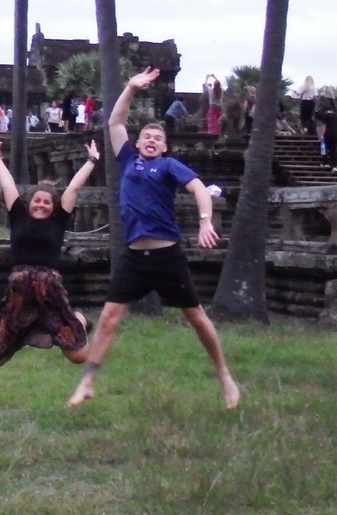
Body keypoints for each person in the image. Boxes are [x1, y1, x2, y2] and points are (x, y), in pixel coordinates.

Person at [67, 68, 240, 410]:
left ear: (164, 147)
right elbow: (115, 124)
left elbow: (199, 191)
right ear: (138, 142)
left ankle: (224, 376)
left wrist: (205, 222)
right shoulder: (128, 159)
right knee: (109, 317)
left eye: (157, 139)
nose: (150, 140)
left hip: (166, 257)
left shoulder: (170, 166)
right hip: (134, 258)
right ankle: (87, 381)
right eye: (146, 136)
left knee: (196, 317)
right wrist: (130, 87)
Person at [0, 136, 97, 366]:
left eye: (47, 202)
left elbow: (74, 187)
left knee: (78, 356)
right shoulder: (18, 215)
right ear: (29, 203)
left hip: (49, 287)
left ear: (53, 207)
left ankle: (78, 318)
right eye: (37, 200)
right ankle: (27, 332)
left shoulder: (58, 219)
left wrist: (91, 161)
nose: (41, 204)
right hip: (19, 289)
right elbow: (7, 185)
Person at [317, 105, 337, 171]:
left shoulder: (325, 116)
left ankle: (328, 163)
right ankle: (334, 165)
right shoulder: (335, 115)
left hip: (328, 133)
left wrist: (322, 135)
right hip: (335, 133)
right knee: (333, 149)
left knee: (327, 148)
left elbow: (324, 126)